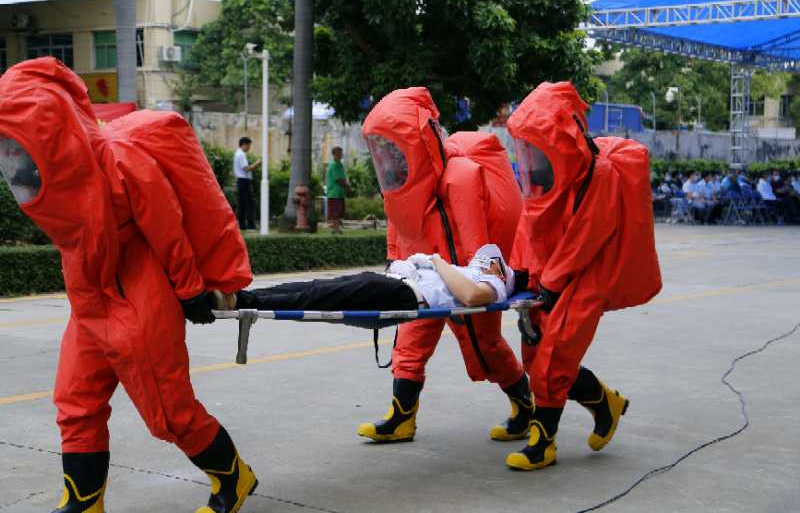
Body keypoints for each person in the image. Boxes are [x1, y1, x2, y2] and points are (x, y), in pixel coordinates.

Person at [0, 58, 257, 513]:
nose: (13, 157)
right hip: (89, 297)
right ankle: (84, 503)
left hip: (140, 295)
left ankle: (233, 478)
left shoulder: (121, 160)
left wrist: (189, 290)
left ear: (51, 131)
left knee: (170, 413)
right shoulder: (51, 176)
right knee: (76, 401)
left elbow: (167, 228)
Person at [505, 81, 661, 471]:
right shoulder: (545, 172)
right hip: (549, 275)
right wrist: (521, 270)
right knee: (535, 355)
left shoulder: (599, 173)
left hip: (587, 275)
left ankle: (543, 443)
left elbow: (587, 235)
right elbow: (530, 223)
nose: (531, 154)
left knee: (554, 356)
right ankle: (605, 403)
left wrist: (551, 283)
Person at [360, 88, 529, 445]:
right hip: (426, 274)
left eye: (396, 145)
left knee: (485, 344)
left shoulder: (460, 176)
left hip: (462, 276)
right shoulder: (401, 185)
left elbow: (475, 242)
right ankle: (402, 417)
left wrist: (466, 286)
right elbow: (399, 228)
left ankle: (524, 405)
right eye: (383, 147)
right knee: (409, 340)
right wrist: (395, 265)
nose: (389, 156)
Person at [225, 244, 514, 312]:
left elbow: (471, 297)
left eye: (489, 262)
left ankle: (242, 302)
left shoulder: (494, 285)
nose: (482, 263)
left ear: (500, 270)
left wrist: (437, 261)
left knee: (317, 297)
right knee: (315, 286)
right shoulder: (468, 272)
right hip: (396, 283)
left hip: (406, 294)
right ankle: (242, 296)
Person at [233, 137, 261, 230]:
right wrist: (257, 163)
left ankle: (242, 225)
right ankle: (250, 225)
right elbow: (246, 168)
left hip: (242, 181)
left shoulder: (238, 153)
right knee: (249, 203)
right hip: (244, 181)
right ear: (244, 144)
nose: (249, 147)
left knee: (243, 203)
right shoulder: (241, 154)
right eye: (248, 145)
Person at [326, 146, 350, 234]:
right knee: (335, 212)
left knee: (339, 212)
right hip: (334, 193)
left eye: (341, 152)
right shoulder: (334, 165)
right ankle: (336, 229)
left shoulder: (339, 164)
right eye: (339, 153)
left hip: (340, 193)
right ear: (334, 154)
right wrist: (347, 186)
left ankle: (335, 228)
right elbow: (338, 179)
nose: (341, 154)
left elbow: (342, 178)